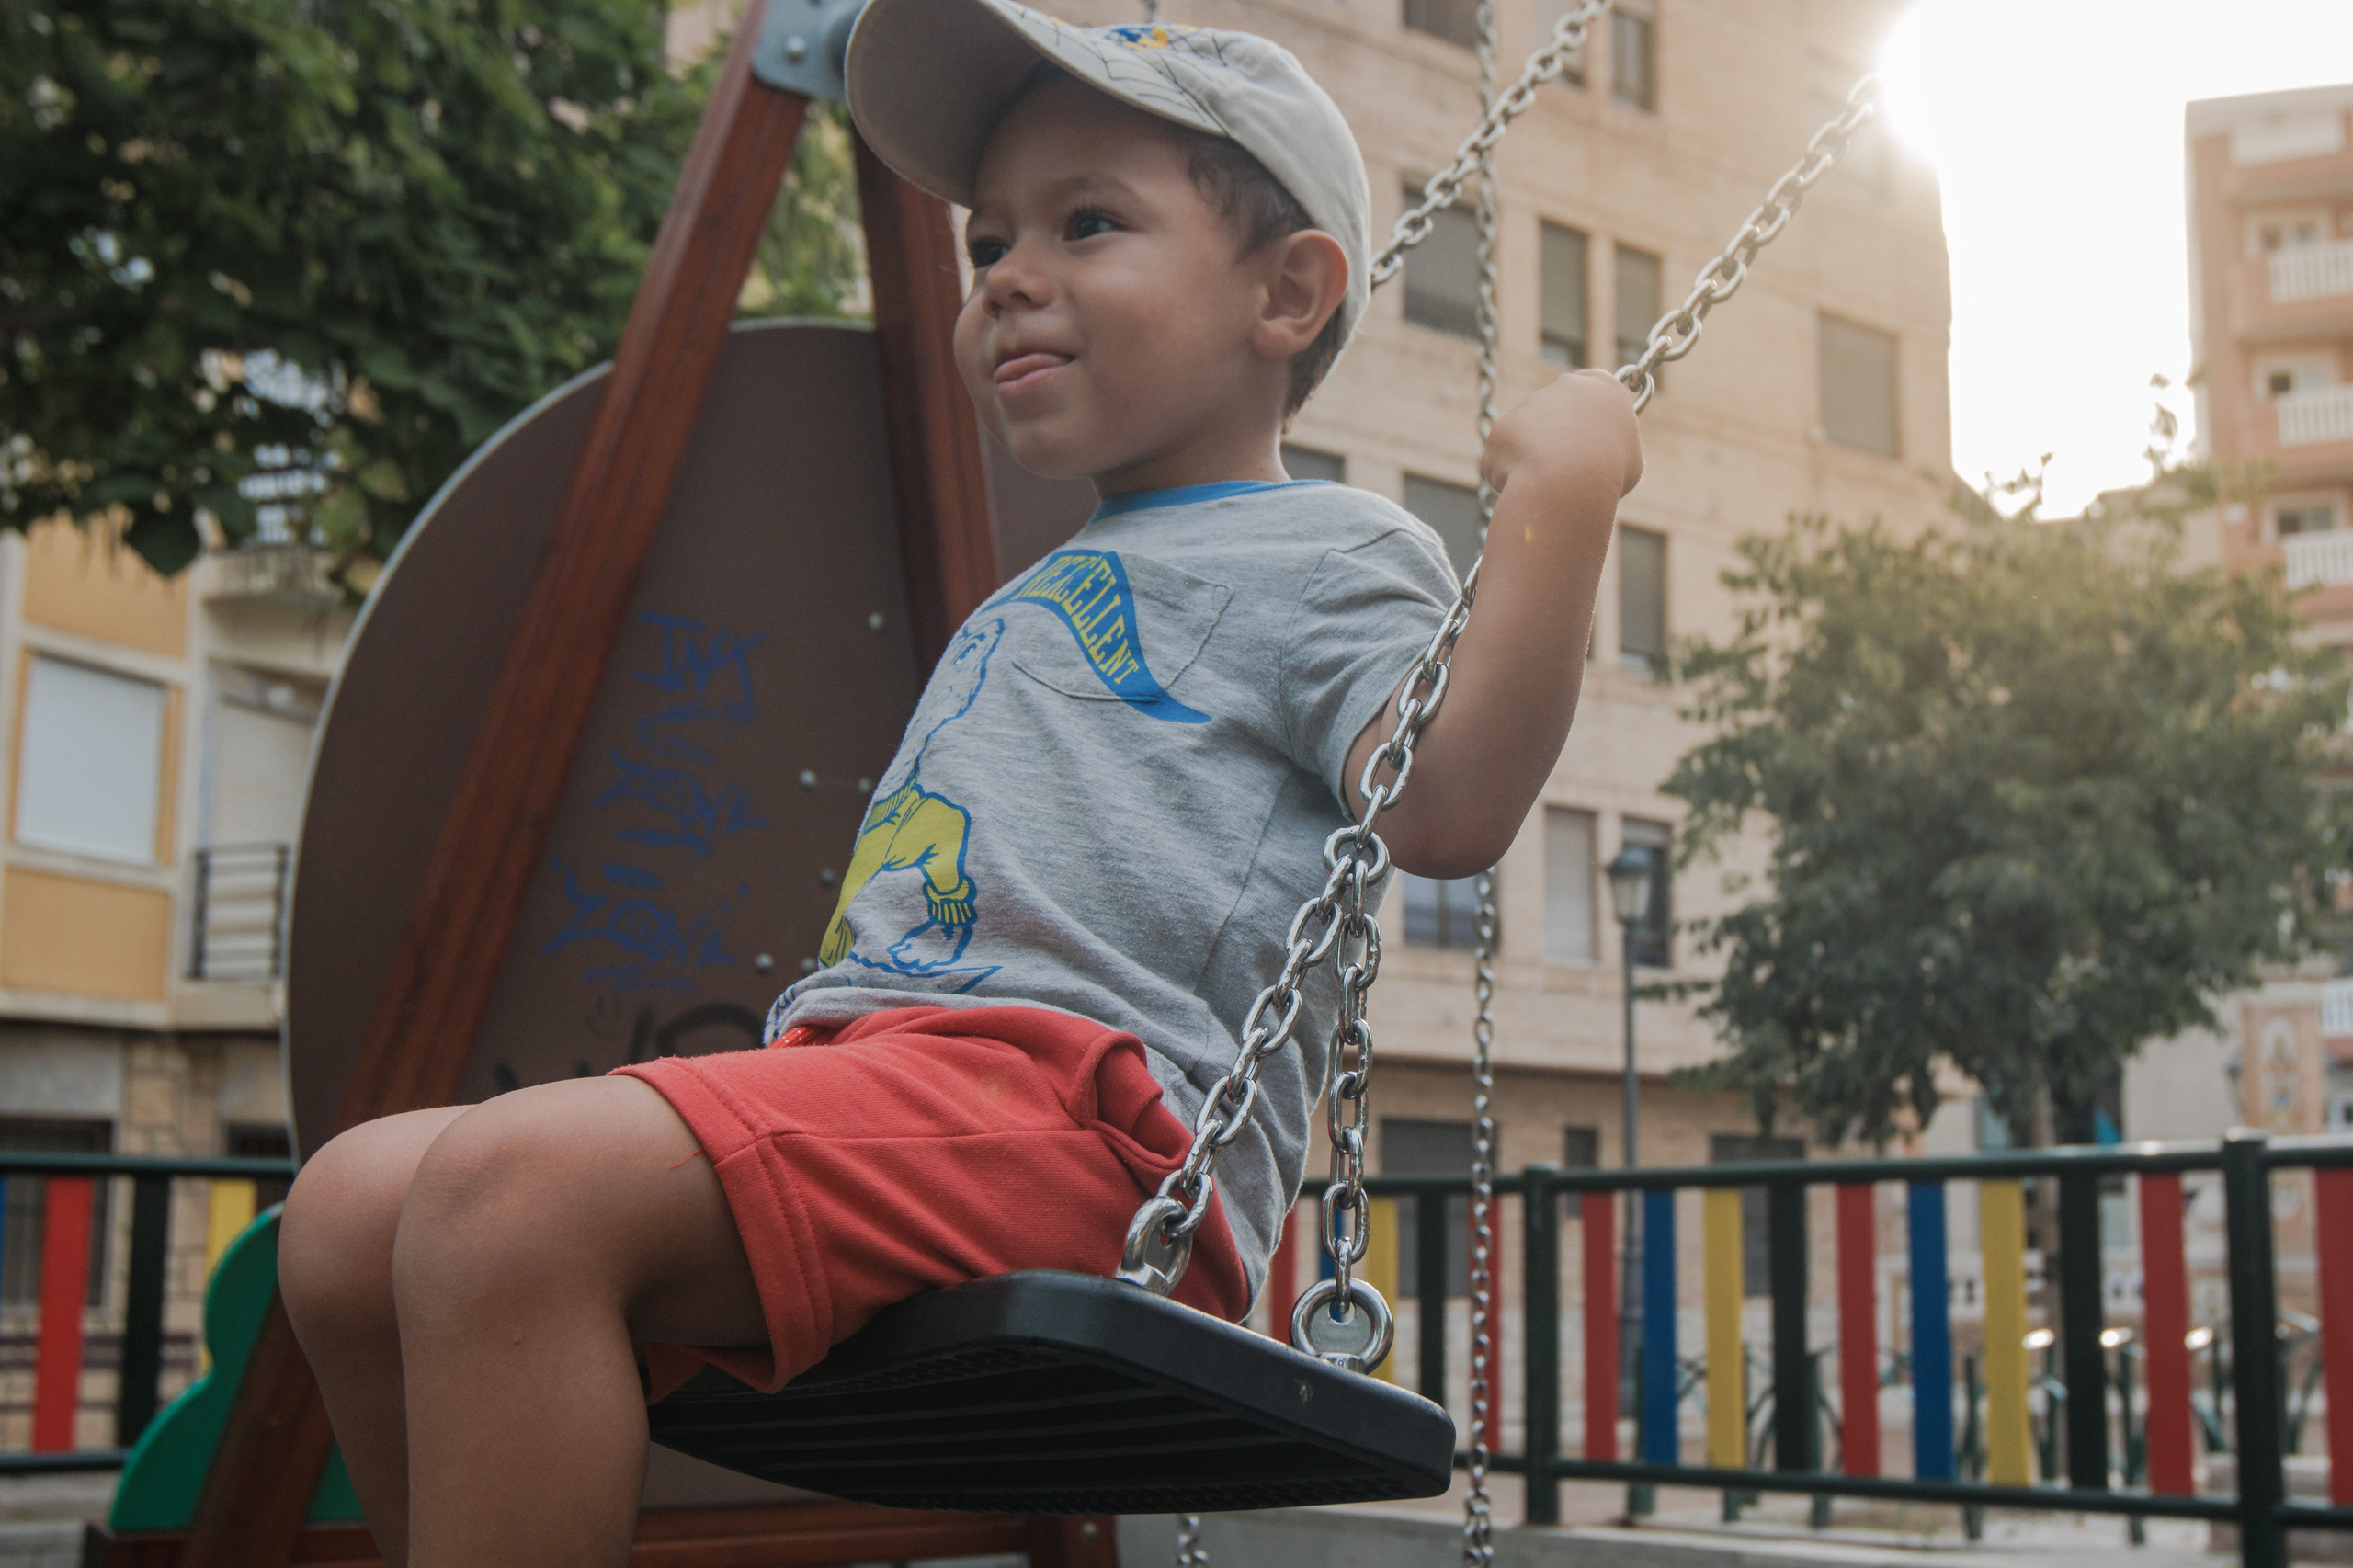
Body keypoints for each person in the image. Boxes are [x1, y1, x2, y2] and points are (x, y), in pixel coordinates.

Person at [276, 2, 1642, 1563]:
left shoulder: (1329, 556)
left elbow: (1450, 803)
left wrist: (1567, 502)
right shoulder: (1048, 576)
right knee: (347, 1216)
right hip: (890, 1081)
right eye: (986, 239)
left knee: (508, 1193)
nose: (1005, 273)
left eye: (1088, 221)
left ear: (1289, 290)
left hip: (1095, 1135)